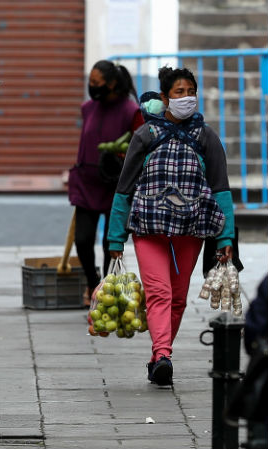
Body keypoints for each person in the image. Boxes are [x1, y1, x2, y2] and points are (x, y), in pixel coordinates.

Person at [107, 67, 235, 386]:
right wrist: (115, 237)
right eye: (179, 92)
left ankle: (158, 357)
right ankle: (163, 354)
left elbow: (220, 189)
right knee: (160, 292)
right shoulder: (145, 136)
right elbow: (124, 189)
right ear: (165, 97)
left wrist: (226, 237)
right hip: (149, 229)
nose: (186, 98)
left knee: (178, 297)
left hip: (191, 230)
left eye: (190, 91)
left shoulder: (206, 137)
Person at [68, 60, 144, 307]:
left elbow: (140, 148)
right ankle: (92, 280)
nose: (92, 87)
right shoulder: (88, 108)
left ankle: (104, 292)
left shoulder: (131, 111)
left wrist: (120, 158)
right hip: (87, 182)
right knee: (82, 240)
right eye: (90, 82)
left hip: (115, 186)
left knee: (108, 244)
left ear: (112, 84)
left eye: (97, 83)